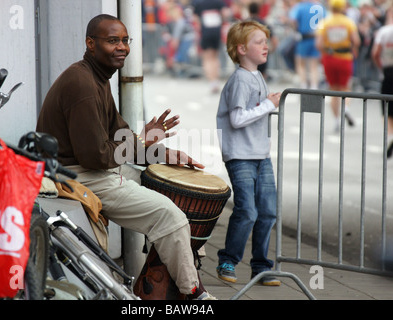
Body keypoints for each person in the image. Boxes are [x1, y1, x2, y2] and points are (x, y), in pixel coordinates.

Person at [36, 14, 215, 300]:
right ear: (90, 43)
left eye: (124, 40)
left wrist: (165, 155)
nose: (122, 47)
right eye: (112, 41)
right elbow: (96, 155)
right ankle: (193, 294)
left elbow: (119, 137)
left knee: (172, 190)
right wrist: (141, 143)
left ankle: (163, 279)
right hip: (76, 176)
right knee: (172, 217)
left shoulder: (97, 76)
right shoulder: (82, 84)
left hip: (90, 170)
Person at [215, 20, 281, 285]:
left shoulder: (256, 75)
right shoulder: (241, 79)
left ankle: (261, 267)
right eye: (259, 42)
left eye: (266, 41)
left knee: (267, 211)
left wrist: (266, 105)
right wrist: (267, 105)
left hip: (260, 155)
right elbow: (238, 119)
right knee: (248, 211)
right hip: (241, 156)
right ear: (241, 49)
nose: (266, 46)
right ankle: (228, 260)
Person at [315, 0, 361, 132]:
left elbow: (318, 44)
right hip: (345, 57)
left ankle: (337, 120)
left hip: (329, 58)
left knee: (333, 89)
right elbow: (356, 40)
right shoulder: (348, 22)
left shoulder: (325, 22)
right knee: (345, 87)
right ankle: (345, 107)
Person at [192, 0, 228, 93]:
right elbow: (225, 13)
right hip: (216, 32)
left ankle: (212, 82)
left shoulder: (199, 3)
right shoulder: (218, 2)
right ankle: (216, 80)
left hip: (205, 32)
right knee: (215, 57)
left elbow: (195, 18)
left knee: (207, 58)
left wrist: (200, 26)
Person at [289, 0, 326, 89]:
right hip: (316, 38)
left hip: (304, 38)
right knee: (314, 65)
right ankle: (314, 86)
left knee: (301, 63)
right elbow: (325, 21)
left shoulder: (300, 6)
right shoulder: (320, 7)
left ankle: (303, 84)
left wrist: (296, 29)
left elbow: (292, 20)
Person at [371, 5, 393, 158]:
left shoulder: (384, 31)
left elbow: (375, 53)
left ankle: (390, 135)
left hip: (389, 71)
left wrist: (382, 67)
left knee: (387, 109)